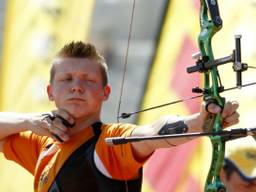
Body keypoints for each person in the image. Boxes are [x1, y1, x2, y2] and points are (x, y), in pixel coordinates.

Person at [0, 41, 239, 192]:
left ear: (105, 92)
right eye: (67, 79)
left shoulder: (109, 143)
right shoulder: (44, 146)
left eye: (89, 80)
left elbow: (151, 133)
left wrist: (198, 122)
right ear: (50, 92)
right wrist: (28, 120)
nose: (77, 87)